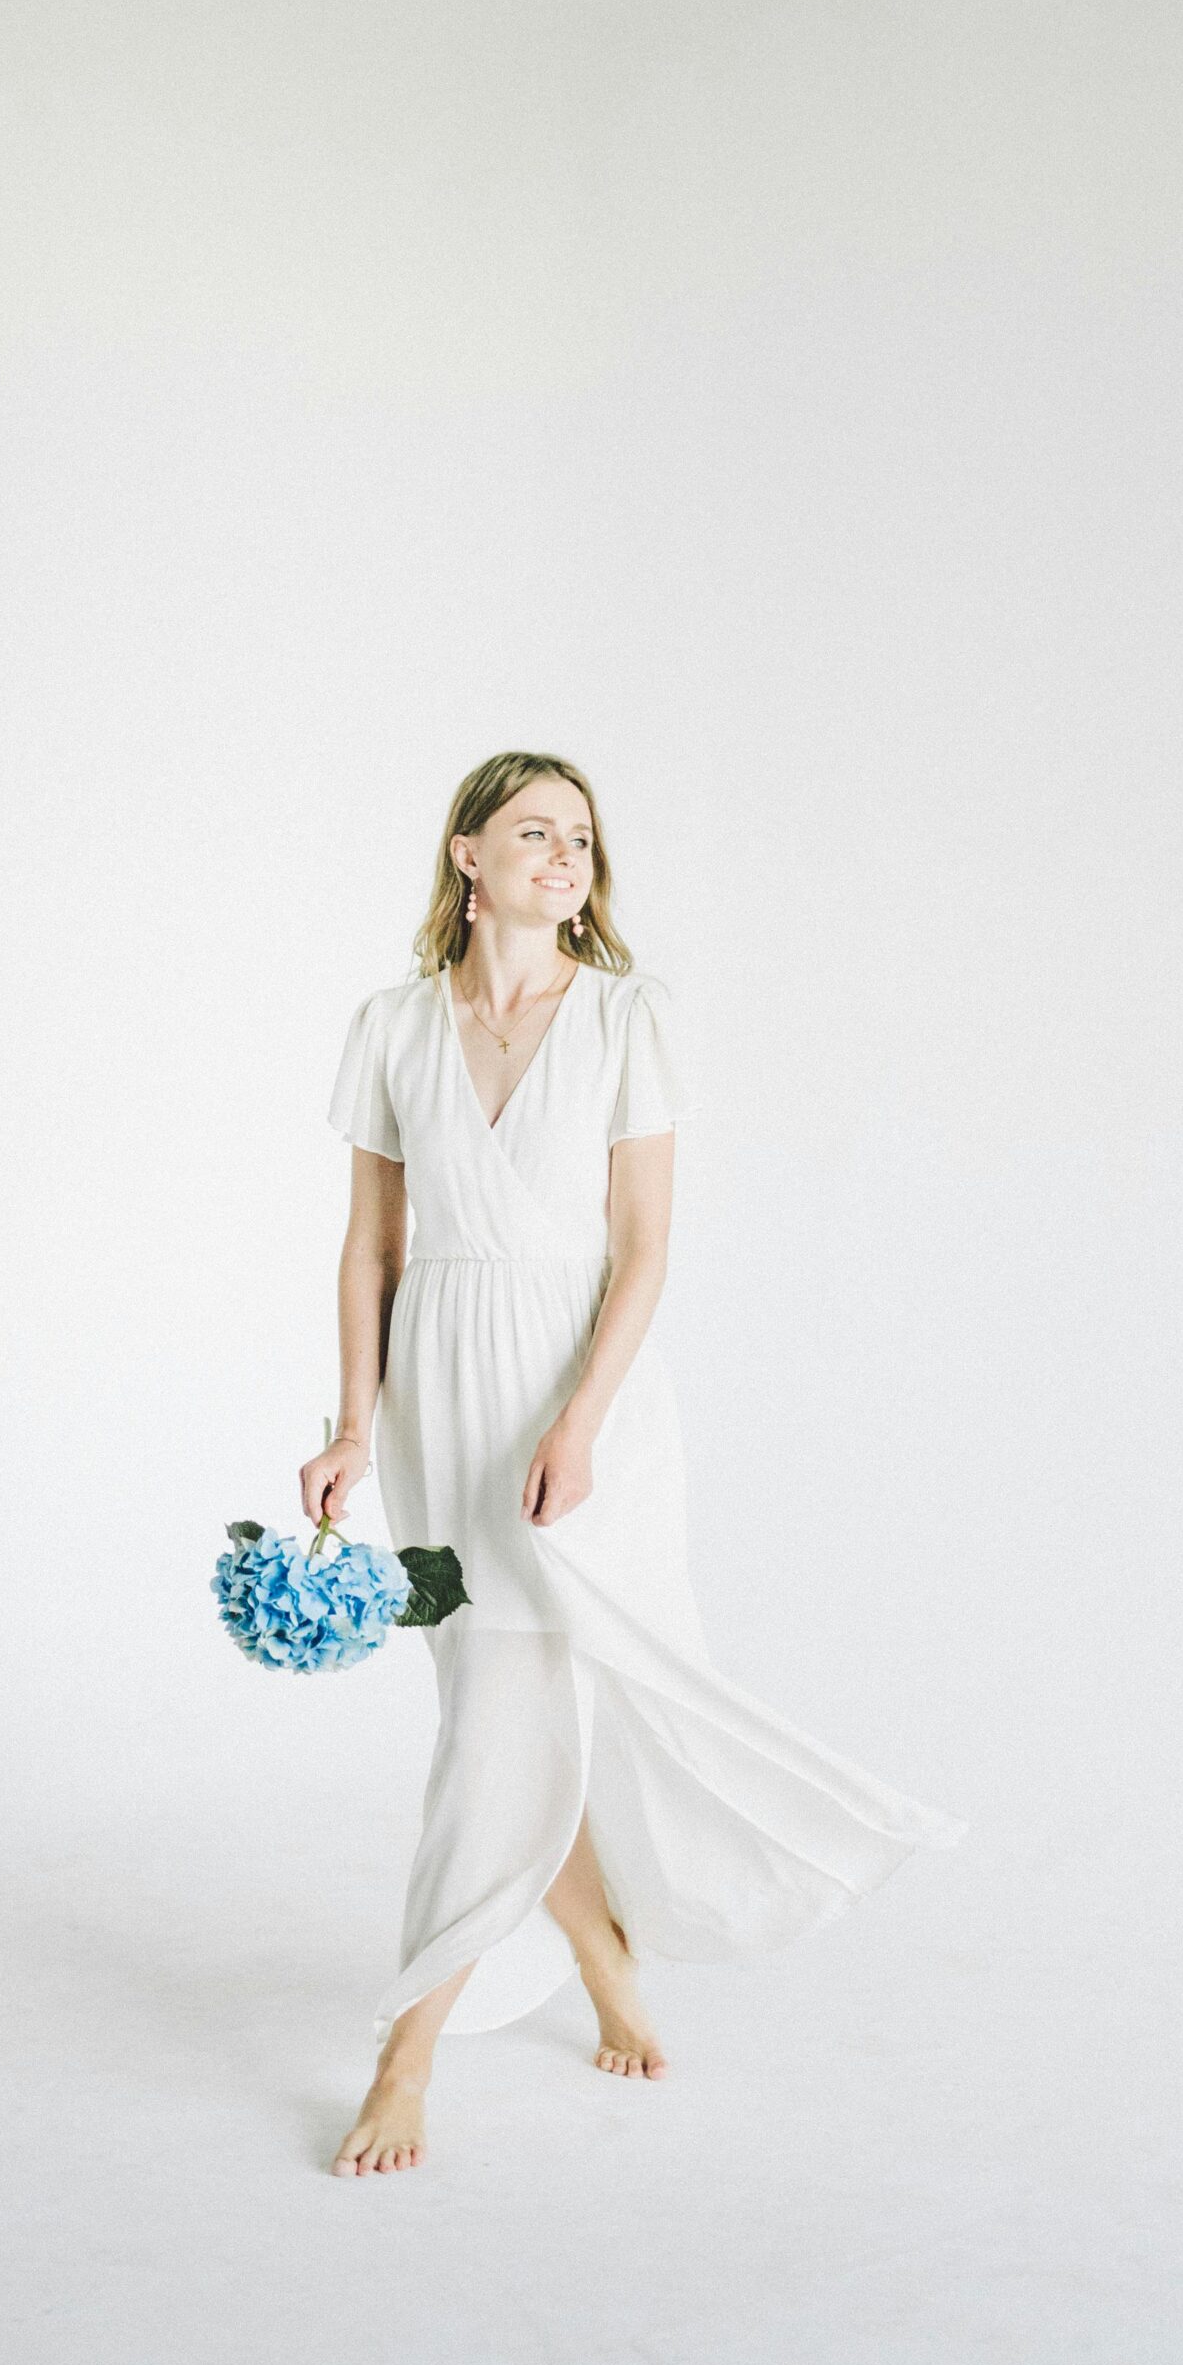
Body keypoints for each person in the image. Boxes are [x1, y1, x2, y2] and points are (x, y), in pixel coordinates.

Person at [303, 750, 968, 2179]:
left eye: (582, 839)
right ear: (467, 856)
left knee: (516, 1715)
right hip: (438, 1403)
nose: (566, 857)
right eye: (534, 832)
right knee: (494, 1705)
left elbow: (646, 1246)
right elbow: (371, 1248)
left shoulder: (625, 1018)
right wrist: (352, 1423)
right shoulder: (391, 1026)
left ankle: (407, 2053)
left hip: (581, 1404)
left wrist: (578, 1424)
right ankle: (599, 1951)